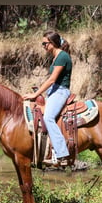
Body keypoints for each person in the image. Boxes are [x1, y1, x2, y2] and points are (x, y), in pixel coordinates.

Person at [23, 31, 72, 166]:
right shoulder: (56, 57)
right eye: (42, 43)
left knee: (48, 118)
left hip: (60, 91)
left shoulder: (62, 56)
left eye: (45, 43)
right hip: (54, 91)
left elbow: (52, 80)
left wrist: (35, 94)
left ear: (53, 43)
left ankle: (62, 154)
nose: (43, 46)